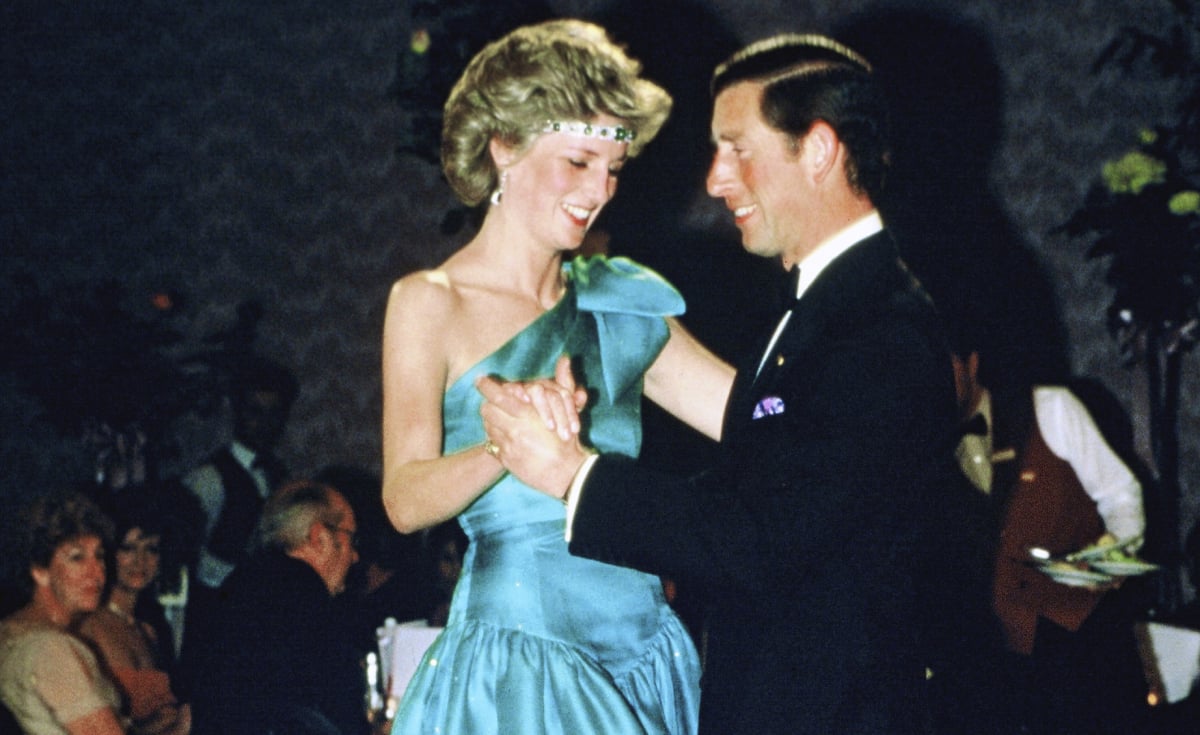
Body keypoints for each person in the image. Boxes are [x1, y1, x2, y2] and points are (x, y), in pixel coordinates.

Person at [478, 33, 960, 734]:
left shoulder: (880, 333)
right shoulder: (830, 308)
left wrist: (572, 473)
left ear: (818, 150)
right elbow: (763, 463)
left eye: (737, 147)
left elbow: (759, 537)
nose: (714, 178)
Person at [380, 18, 734, 735]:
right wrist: (503, 445)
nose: (600, 190)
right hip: (522, 656)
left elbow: (757, 418)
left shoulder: (620, 299)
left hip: (642, 648)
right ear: (504, 146)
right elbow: (404, 499)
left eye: (613, 168)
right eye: (577, 162)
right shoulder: (429, 301)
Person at [949, 340, 1150, 734]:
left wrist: (1100, 568)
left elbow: (1122, 497)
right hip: (1004, 660)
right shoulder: (924, 451)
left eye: (945, 367)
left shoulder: (1050, 408)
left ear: (971, 363)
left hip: (1085, 643)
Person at [187, 479, 367, 735]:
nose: (355, 556)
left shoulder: (236, 584)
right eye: (352, 538)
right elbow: (338, 706)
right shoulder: (308, 597)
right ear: (319, 537)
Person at [179, 356, 297, 687]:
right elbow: (191, 561)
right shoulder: (208, 480)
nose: (266, 424)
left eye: (275, 413)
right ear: (236, 412)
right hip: (216, 622)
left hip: (265, 620)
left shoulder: (279, 476)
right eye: (255, 412)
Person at [0, 492, 125, 735]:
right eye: (77, 558)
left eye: (99, 556)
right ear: (39, 570)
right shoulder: (51, 649)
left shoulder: (11, 630)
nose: (96, 572)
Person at [79, 487, 191, 735]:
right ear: (107, 553)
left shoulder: (150, 630)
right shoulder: (88, 625)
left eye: (151, 549)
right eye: (128, 548)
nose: (140, 561)